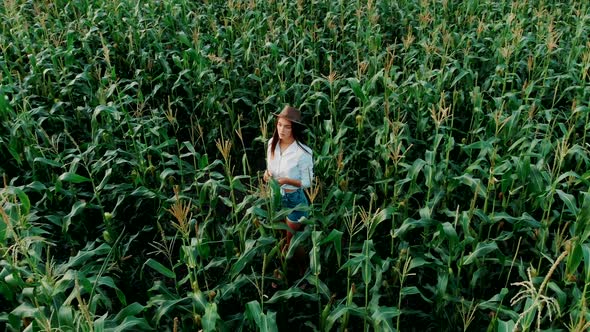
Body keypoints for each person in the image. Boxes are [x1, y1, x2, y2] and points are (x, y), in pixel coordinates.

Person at [263, 105, 313, 255]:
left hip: (294, 200)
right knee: (280, 236)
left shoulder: (303, 153)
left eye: (287, 127)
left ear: (294, 129)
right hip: (275, 196)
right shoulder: (272, 143)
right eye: (279, 125)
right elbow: (269, 169)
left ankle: (300, 272)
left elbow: (308, 182)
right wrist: (266, 175)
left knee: (291, 243)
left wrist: (287, 180)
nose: (281, 130)